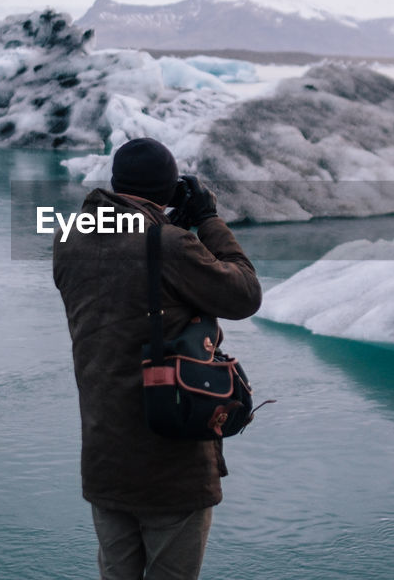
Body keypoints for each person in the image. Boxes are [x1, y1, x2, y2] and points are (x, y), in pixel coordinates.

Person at [52, 138, 262, 580]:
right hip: (169, 461)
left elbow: (127, 283)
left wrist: (168, 222)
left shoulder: (68, 237)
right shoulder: (169, 244)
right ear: (168, 190)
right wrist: (205, 220)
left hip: (105, 456)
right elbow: (244, 294)